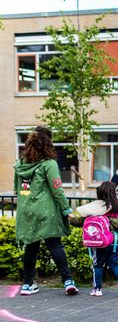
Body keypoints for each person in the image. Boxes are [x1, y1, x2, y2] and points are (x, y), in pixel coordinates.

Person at [14, 126, 79, 296]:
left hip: (27, 212)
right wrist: (66, 210)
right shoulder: (49, 164)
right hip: (46, 211)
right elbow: (57, 188)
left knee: (31, 247)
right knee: (55, 245)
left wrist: (28, 201)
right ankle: (67, 281)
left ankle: (28, 284)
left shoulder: (20, 164)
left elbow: (18, 189)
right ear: (48, 143)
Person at [69, 182, 118, 297]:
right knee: (115, 264)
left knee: (97, 265)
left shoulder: (93, 209)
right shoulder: (117, 207)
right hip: (114, 241)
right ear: (113, 193)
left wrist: (69, 218)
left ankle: (97, 289)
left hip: (98, 243)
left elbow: (80, 221)